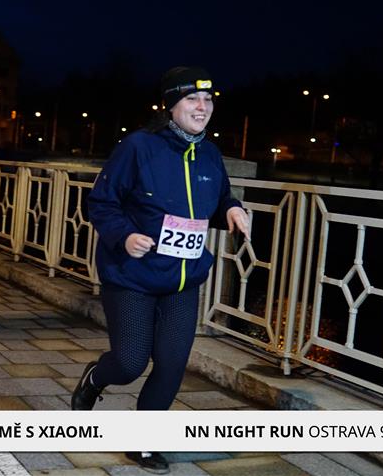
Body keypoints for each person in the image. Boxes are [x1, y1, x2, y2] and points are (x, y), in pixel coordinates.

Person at [72, 66, 250, 474]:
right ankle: (96, 378)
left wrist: (232, 209)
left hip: (183, 280)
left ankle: (145, 442)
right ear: (171, 106)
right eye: (192, 99)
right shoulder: (138, 147)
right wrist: (124, 236)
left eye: (207, 100)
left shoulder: (210, 154)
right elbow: (101, 202)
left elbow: (220, 197)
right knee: (130, 363)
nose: (202, 107)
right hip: (132, 275)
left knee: (170, 366)